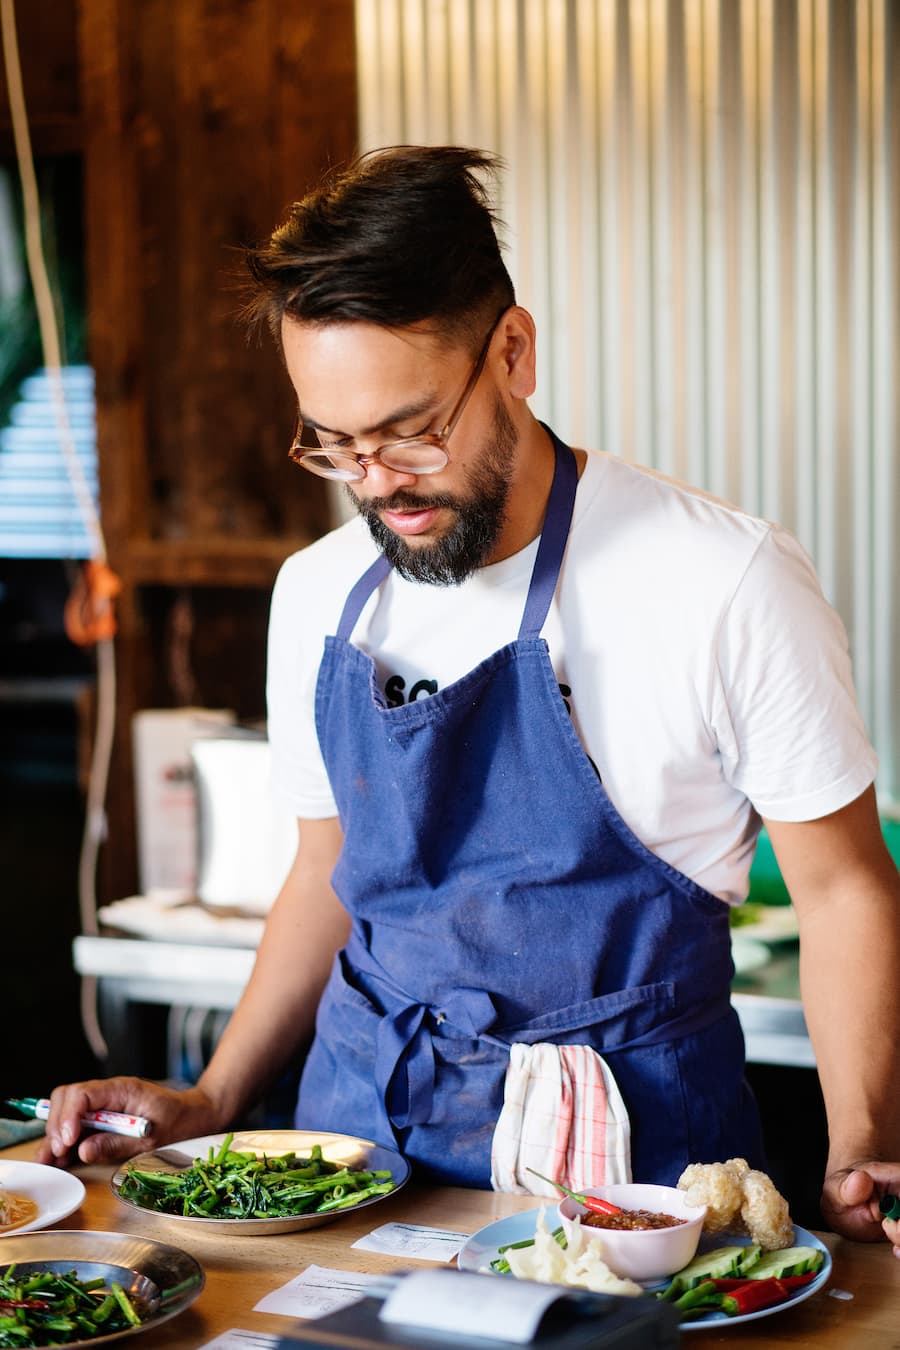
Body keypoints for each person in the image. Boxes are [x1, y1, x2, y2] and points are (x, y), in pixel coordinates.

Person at [39, 146, 900, 1252]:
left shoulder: (723, 579)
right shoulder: (317, 598)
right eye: (335, 445)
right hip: (358, 1153)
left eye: (411, 430)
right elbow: (327, 872)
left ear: (513, 351)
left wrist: (857, 1144)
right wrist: (212, 1096)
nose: (379, 482)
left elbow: (842, 892)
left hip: (637, 1171)